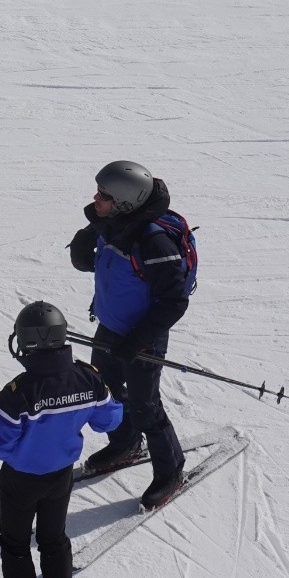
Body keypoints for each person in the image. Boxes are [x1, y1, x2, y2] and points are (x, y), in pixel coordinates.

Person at [0, 301, 123, 578]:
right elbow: (109, 420)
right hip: (60, 476)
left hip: (21, 479)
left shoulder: (19, 391)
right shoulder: (87, 377)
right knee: (54, 542)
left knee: (15, 545)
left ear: (25, 342)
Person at [68, 160, 195, 509]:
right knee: (104, 391)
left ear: (124, 201)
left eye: (103, 195)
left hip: (142, 338)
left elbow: (174, 301)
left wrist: (138, 339)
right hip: (109, 327)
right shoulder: (112, 223)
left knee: (145, 407)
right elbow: (102, 264)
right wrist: (82, 248)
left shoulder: (154, 242)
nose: (95, 199)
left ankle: (171, 471)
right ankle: (125, 443)